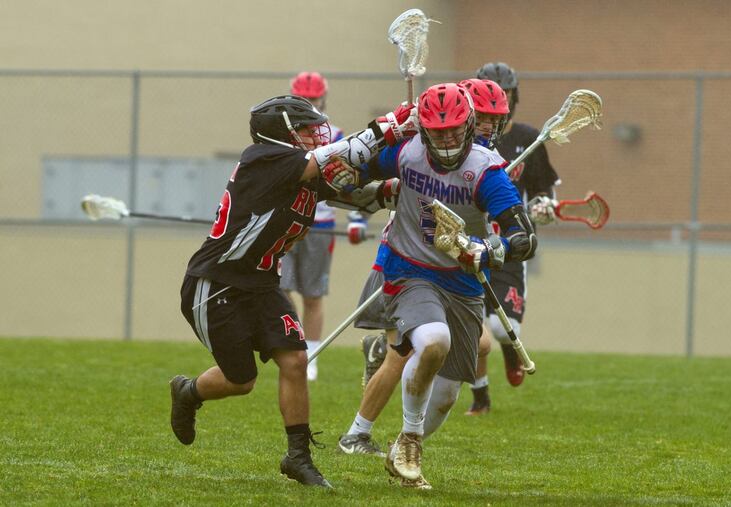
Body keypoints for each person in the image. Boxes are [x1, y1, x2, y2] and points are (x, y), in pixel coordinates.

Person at [169, 94, 415, 487]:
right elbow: (344, 152)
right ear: (281, 134)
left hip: (263, 282)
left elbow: (360, 192)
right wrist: (390, 125)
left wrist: (404, 185)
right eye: (303, 130)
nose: (312, 136)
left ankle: (297, 457)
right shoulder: (263, 158)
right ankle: (188, 392)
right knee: (241, 381)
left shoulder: (302, 172)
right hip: (218, 282)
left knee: (296, 361)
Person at [344, 82, 537, 488]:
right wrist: (368, 192)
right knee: (432, 340)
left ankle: (402, 449)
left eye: (454, 130)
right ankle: (410, 438)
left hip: (462, 284)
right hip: (409, 271)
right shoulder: (407, 152)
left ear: (467, 126)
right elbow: (350, 175)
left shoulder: (485, 169)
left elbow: (524, 237)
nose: (446, 139)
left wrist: (488, 249)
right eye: (437, 131)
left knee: (447, 394)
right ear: (424, 129)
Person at [464, 62, 560, 416]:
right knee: (477, 325)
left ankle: (507, 349)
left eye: (503, 94)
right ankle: (480, 396)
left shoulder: (526, 137)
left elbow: (541, 191)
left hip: (508, 246)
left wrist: (543, 207)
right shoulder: (459, 139)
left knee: (501, 329)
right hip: (470, 240)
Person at [280, 72, 345, 382]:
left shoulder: (337, 136)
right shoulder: (282, 134)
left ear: (324, 99)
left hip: (320, 225)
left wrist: (357, 220)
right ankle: (294, 346)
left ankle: (313, 356)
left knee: (313, 294)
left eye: (314, 99)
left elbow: (350, 182)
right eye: (304, 99)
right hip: (287, 221)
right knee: (279, 285)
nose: (309, 104)